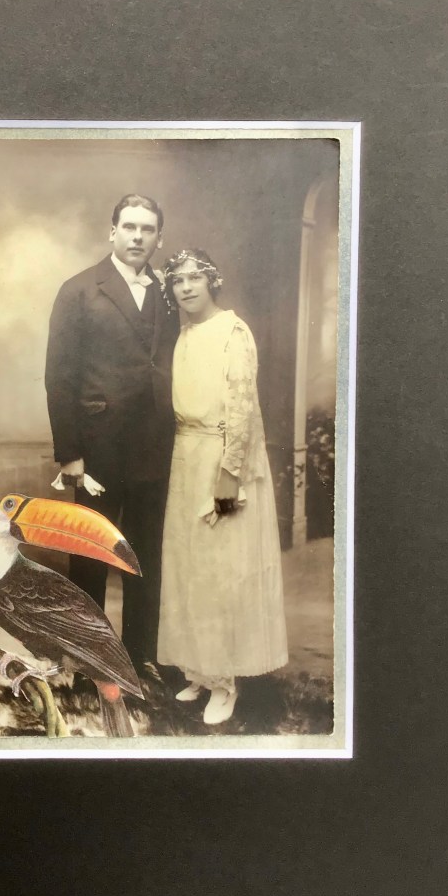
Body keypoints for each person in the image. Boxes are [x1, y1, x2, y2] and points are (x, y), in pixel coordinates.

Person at [45, 194, 179, 672]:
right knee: (91, 554)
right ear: (113, 232)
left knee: (145, 557)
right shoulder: (79, 290)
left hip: (156, 445)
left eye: (147, 229)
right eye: (129, 227)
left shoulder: (168, 293)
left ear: (159, 238)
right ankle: (89, 661)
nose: (138, 237)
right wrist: (70, 454)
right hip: (98, 449)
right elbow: (59, 376)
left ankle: (140, 661)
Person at [157, 249, 288, 725]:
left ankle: (225, 681)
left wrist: (229, 476)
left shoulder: (233, 331)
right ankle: (198, 669)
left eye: (195, 278)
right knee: (188, 568)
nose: (186, 287)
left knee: (220, 571)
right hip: (185, 456)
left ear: (212, 281)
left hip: (220, 457)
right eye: (178, 281)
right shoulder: (185, 333)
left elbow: (242, 407)